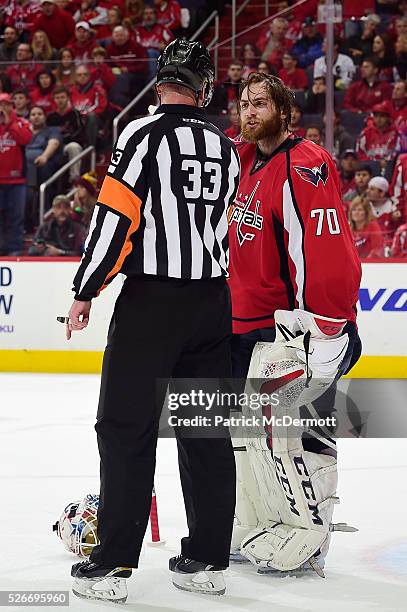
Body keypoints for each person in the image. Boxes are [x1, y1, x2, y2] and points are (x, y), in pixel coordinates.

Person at [66, 39, 239, 603]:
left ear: (161, 78)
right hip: (213, 301)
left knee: (125, 427)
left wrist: (87, 288)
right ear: (204, 85)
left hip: (153, 304)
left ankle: (112, 565)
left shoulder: (141, 133)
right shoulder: (224, 145)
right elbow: (230, 225)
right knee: (206, 433)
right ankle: (208, 560)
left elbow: (115, 218)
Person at [227, 72, 361, 575]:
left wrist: (327, 324)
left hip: (296, 332)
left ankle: (311, 537)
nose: (250, 110)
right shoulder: (244, 161)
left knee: (302, 437)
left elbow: (326, 251)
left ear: (286, 113)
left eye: (261, 103)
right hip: (246, 329)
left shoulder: (304, 165)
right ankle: (261, 524)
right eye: (244, 103)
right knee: (248, 437)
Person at [0, 93, 32, 256]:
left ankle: (15, 250)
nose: (2, 108)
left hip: (16, 180)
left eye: (6, 105)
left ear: (12, 106)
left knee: (16, 218)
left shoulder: (21, 122)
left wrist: (10, 123)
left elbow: (26, 139)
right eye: (0, 105)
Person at [25, 105, 63, 208]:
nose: (36, 116)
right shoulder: (24, 131)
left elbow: (53, 143)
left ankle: (43, 209)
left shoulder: (52, 130)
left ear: (45, 117)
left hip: (42, 164)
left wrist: (44, 156)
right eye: (33, 114)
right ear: (29, 118)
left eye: (39, 114)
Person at [47, 86, 84, 181]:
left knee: (73, 146)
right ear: (54, 99)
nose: (60, 100)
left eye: (62, 97)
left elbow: (79, 132)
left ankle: (74, 180)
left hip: (69, 144)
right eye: (57, 98)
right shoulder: (50, 117)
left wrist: (62, 139)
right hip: (53, 147)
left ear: (68, 98)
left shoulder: (75, 114)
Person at [70, 65, 108, 148]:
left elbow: (101, 107)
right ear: (75, 77)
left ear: (89, 76)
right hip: (77, 119)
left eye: (85, 74)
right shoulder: (71, 90)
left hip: (95, 119)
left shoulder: (98, 89)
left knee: (91, 117)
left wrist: (84, 114)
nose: (82, 77)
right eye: (79, 75)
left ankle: (90, 149)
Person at [356, 103, 401, 170]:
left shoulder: (396, 133)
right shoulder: (366, 133)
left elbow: (398, 152)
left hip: (390, 167)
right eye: (376, 116)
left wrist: (388, 162)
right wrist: (375, 163)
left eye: (382, 116)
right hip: (369, 168)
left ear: (388, 118)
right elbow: (360, 153)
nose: (379, 119)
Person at [134, 6, 173, 80]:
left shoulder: (163, 29)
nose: (148, 16)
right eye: (146, 14)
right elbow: (134, 46)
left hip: (158, 58)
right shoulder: (137, 30)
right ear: (142, 17)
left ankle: (152, 82)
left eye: (151, 13)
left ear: (155, 16)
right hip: (140, 58)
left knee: (151, 52)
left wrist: (165, 47)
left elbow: (173, 46)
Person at [366, 175, 399, 250]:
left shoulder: (394, 208)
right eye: (368, 188)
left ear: (382, 193)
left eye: (372, 189)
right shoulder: (364, 206)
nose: (367, 191)